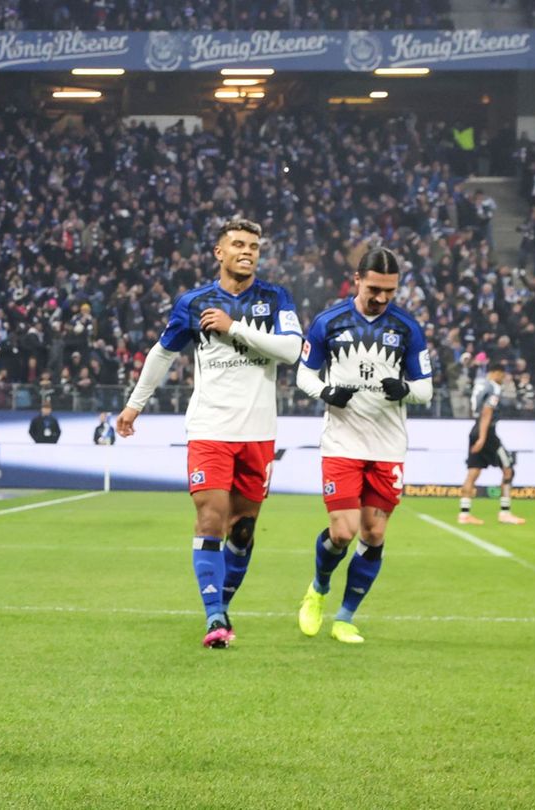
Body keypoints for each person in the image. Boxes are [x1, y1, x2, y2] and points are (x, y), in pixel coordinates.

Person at [117, 218, 303, 649]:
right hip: (210, 427)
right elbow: (162, 354)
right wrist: (134, 404)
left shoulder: (276, 298)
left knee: (243, 530)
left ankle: (221, 604)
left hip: (258, 432)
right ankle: (214, 615)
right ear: (219, 252)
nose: (247, 251)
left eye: (253, 246)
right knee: (210, 518)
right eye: (238, 244)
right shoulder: (194, 302)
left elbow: (291, 350)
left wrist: (233, 327)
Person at [295, 247, 433, 645]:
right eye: (375, 289)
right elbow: (304, 375)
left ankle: (345, 618)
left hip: (388, 447)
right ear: (357, 280)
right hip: (342, 442)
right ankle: (318, 588)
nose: (382, 298)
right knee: (343, 532)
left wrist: (404, 389)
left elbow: (425, 389)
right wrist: (326, 392)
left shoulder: (407, 329)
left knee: (373, 534)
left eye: (390, 290)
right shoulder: (328, 322)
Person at [458, 361, 527, 525]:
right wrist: (483, 437)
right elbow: (487, 412)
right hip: (487, 431)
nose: (503, 379)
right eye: (502, 375)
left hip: (475, 429)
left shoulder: (479, 385)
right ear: (496, 373)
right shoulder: (494, 387)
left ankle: (464, 514)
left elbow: (476, 409)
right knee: (508, 469)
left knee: (473, 472)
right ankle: (505, 512)